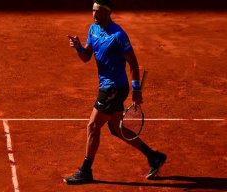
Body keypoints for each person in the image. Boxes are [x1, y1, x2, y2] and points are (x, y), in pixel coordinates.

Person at [64, 0, 166, 184]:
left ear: (108, 13)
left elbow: (133, 64)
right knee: (116, 129)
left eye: (99, 12)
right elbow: (86, 57)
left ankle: (86, 170)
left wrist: (136, 90)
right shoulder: (93, 30)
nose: (94, 15)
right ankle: (154, 156)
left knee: (93, 126)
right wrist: (78, 47)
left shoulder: (119, 35)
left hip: (115, 88)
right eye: (93, 11)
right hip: (105, 86)